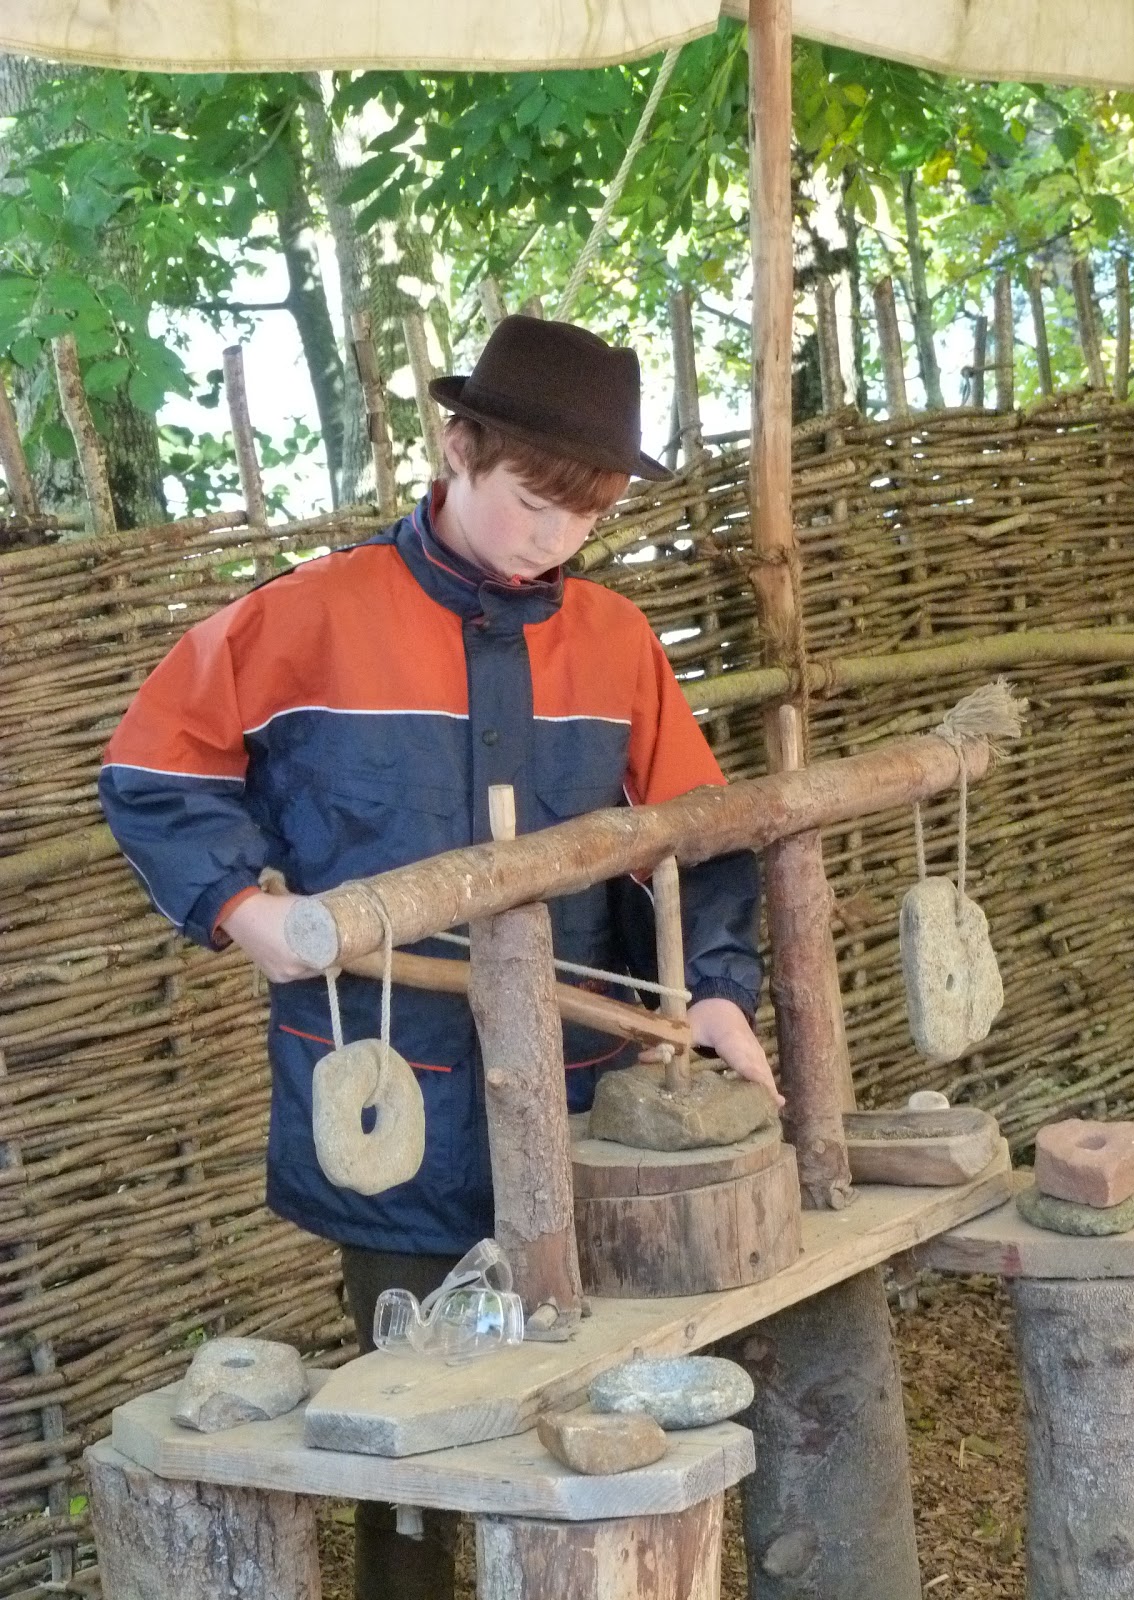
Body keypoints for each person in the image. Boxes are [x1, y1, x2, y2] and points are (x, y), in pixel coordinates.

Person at [99, 314, 778, 1600]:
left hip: (589, 1098)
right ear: (457, 447)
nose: (552, 538)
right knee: (404, 1405)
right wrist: (241, 909)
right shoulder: (308, 618)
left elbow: (695, 841)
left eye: (584, 517)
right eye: (530, 502)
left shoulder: (619, 643)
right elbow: (151, 768)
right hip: (390, 1087)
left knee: (594, 1397)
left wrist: (721, 989)